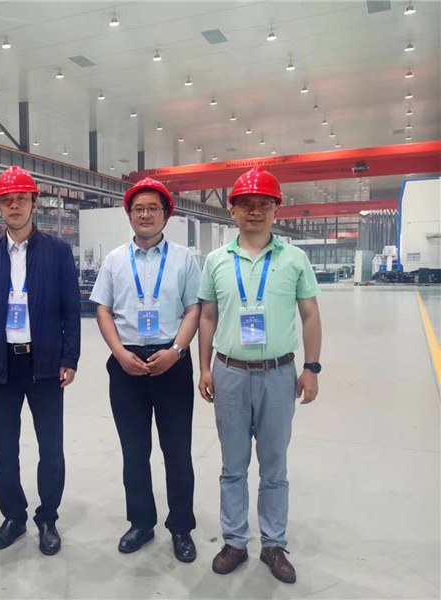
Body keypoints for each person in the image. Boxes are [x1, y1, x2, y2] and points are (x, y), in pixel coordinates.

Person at [197, 167, 322, 584]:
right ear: (232, 211)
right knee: (232, 466)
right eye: (246, 205)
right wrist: (204, 367)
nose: (255, 211)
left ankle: (273, 544)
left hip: (278, 375)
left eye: (264, 204)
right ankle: (234, 541)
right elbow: (208, 316)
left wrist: (311, 368)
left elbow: (310, 315)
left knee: (274, 467)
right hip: (230, 373)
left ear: (276, 210)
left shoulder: (294, 259)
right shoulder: (216, 260)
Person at [90, 177, 201, 561]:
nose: (146, 214)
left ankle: (181, 527)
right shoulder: (115, 260)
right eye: (139, 209)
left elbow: (194, 309)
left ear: (166, 214)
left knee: (177, 452)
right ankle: (141, 522)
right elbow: (103, 310)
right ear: (129, 215)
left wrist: (177, 350)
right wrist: (120, 353)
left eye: (154, 208)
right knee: (134, 452)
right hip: (127, 366)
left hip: (172, 364)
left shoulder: (185, 259)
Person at [0, 166, 80, 556]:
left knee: (50, 446)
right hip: (2, 363)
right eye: (6, 200)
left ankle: (47, 517)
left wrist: (70, 356)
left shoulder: (57, 251)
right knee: (5, 447)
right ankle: (13, 516)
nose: (14, 205)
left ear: (35, 202)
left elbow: (71, 308)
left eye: (21, 198)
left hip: (45, 363)